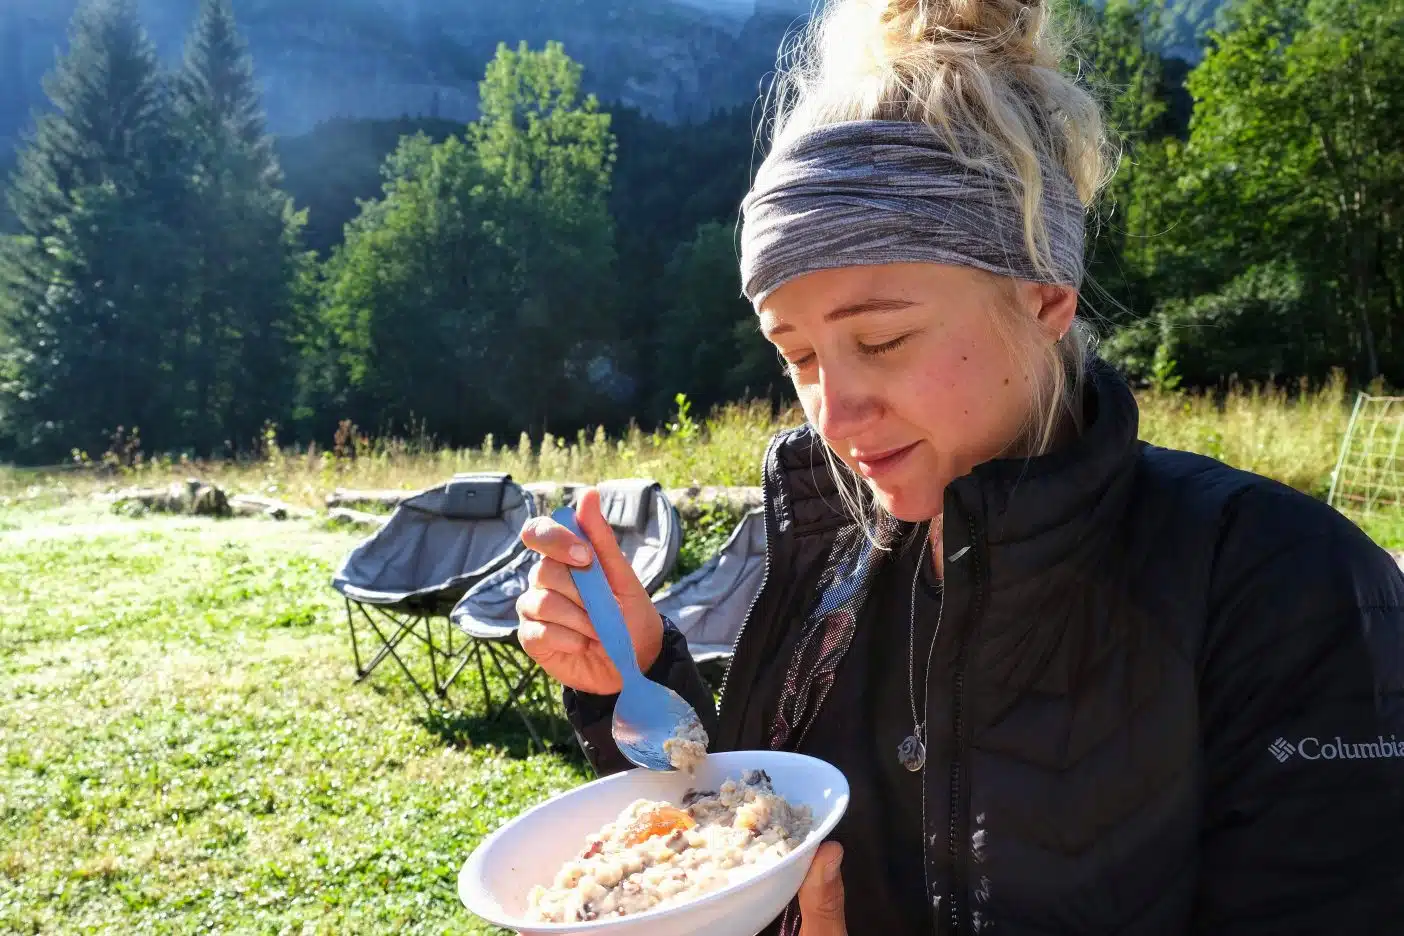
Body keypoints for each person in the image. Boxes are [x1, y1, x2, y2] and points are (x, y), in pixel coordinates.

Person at [514, 0, 1404, 933]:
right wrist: (637, 673)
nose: (835, 414)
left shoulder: (1282, 584)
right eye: (800, 356)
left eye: (884, 338)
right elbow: (742, 836)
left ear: (1046, 296)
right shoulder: (831, 555)